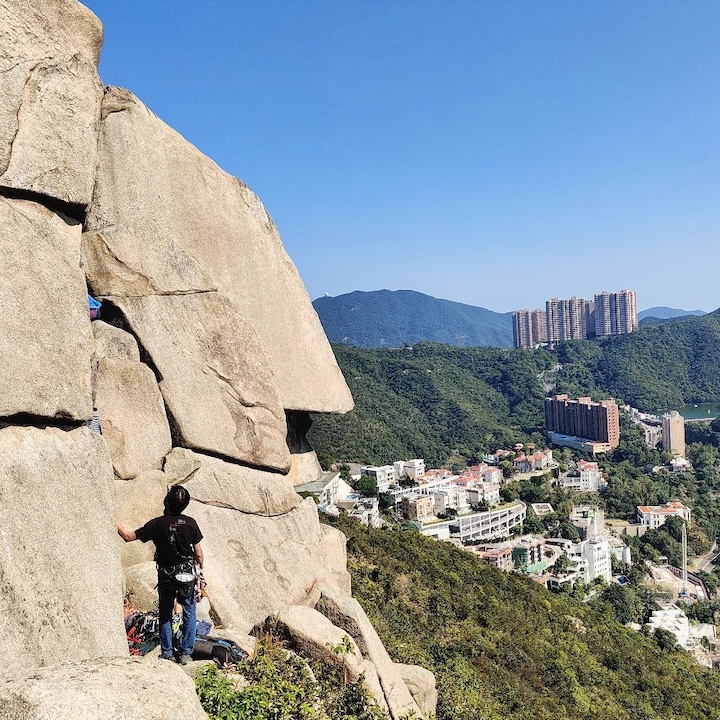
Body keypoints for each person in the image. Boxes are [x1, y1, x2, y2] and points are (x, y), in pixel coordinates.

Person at [117, 486, 204, 664]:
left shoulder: (157, 524)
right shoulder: (191, 523)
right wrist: (201, 573)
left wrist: (111, 517)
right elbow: (199, 554)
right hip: (187, 574)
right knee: (189, 609)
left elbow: (128, 536)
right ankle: (186, 653)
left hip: (167, 575)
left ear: (167, 501)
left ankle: (167, 653)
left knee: (165, 612)